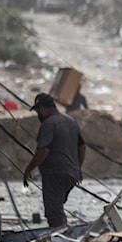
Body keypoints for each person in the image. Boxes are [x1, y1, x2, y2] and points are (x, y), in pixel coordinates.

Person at [23, 93, 86, 228]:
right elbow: (82, 148)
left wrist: (29, 169)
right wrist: (78, 168)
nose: (38, 114)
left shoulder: (48, 124)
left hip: (55, 174)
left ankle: (59, 240)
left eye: (38, 111)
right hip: (71, 175)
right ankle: (64, 233)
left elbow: (43, 151)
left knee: (54, 213)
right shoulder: (71, 122)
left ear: (43, 108)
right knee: (58, 208)